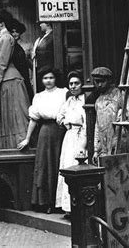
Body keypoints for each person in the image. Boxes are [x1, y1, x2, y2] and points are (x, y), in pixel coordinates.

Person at [18, 69, 67, 213]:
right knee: (46, 165)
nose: (49, 80)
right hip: (45, 132)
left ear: (55, 79)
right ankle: (46, 203)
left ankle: (59, 203)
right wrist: (27, 138)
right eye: (45, 78)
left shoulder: (63, 93)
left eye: (51, 77)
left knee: (59, 163)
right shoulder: (39, 97)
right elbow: (34, 119)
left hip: (61, 130)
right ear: (41, 80)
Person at [0, 9, 30, 149]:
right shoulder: (2, 38)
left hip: (10, 80)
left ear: (1, 23)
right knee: (11, 114)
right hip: (6, 80)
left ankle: (19, 143)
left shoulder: (7, 38)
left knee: (16, 113)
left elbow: (3, 60)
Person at [91, 66, 129, 162]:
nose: (100, 85)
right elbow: (98, 126)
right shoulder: (98, 101)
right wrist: (96, 150)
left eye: (102, 81)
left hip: (120, 141)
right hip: (104, 144)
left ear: (109, 81)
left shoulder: (120, 95)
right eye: (97, 82)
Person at [55, 71, 87, 216]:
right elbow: (59, 115)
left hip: (81, 136)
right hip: (69, 136)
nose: (73, 86)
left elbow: (86, 121)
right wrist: (64, 122)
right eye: (71, 84)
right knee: (67, 167)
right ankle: (69, 208)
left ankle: (80, 206)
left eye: (76, 83)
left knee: (78, 166)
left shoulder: (85, 100)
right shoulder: (69, 101)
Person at [10, 19, 34, 102]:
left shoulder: (28, 45)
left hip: (25, 74)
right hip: (13, 75)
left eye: (17, 31)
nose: (15, 34)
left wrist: (32, 78)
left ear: (20, 32)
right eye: (12, 32)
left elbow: (32, 64)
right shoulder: (9, 45)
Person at [32, 22, 54, 93]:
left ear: (48, 24)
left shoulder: (52, 37)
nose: (40, 25)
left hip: (47, 70)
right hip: (40, 70)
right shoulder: (43, 37)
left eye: (42, 23)